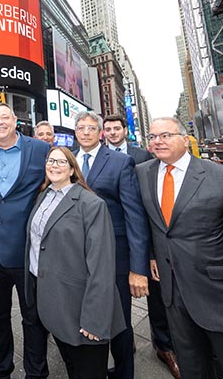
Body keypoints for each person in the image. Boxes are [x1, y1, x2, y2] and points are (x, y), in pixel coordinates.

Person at [137, 117, 223, 379]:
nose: (158, 141)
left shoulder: (222, 178)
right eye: (153, 137)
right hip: (174, 300)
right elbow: (150, 225)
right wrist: (151, 255)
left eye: (165, 135)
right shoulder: (143, 174)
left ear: (185, 139)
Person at [26, 147, 124, 379]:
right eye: (51, 161)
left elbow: (101, 266)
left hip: (82, 310)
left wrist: (94, 320)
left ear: (72, 169)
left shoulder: (91, 204)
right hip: (55, 303)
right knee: (72, 368)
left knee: (89, 371)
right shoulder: (43, 196)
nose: (54, 165)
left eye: (61, 162)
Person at [73, 111, 149, 379]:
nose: (85, 132)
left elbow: (134, 216)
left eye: (91, 128)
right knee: (85, 315)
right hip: (79, 256)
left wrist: (138, 268)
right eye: (80, 128)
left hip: (115, 256)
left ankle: (123, 372)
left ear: (100, 133)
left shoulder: (120, 162)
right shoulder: (68, 161)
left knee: (120, 322)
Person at [103, 116, 180, 378]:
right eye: (108, 129)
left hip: (150, 234)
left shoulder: (145, 156)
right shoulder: (97, 156)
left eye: (117, 128)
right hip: (117, 240)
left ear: (125, 130)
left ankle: (164, 345)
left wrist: (147, 252)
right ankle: (127, 341)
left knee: (157, 295)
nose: (113, 132)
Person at [0, 103, 50, 379]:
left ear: (15, 120)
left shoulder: (40, 150)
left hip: (26, 252)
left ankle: (36, 372)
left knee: (33, 318)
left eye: (3, 118)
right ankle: (0, 369)